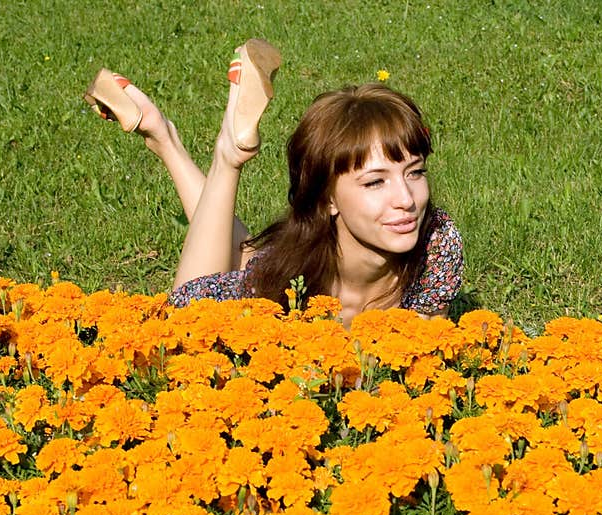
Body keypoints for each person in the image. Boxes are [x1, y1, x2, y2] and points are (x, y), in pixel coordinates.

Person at [83, 38, 463, 328]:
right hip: (290, 276)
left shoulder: (436, 245)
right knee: (192, 325)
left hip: (294, 259)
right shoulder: (286, 280)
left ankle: (162, 135)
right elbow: (185, 310)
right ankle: (227, 156)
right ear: (327, 197)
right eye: (375, 183)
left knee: (242, 253)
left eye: (414, 172)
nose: (406, 199)